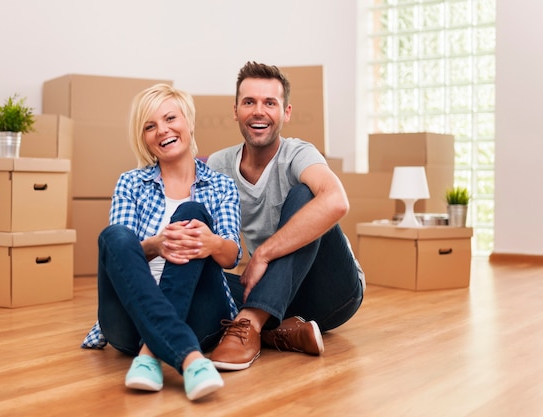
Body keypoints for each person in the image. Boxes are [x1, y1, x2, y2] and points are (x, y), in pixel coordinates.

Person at [80, 83, 242, 400]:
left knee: (192, 211)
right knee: (114, 235)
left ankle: (149, 357)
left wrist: (210, 243)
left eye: (170, 118)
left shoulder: (221, 186)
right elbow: (119, 255)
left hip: (200, 314)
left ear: (189, 122)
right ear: (143, 137)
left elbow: (231, 257)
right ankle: (189, 359)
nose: (162, 131)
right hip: (131, 318)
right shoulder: (130, 182)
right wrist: (158, 244)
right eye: (150, 126)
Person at [206, 61, 365, 371]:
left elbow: (336, 202)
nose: (258, 111)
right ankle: (282, 331)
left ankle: (251, 322)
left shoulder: (298, 153)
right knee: (201, 281)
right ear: (235, 110)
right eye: (249, 101)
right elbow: (210, 242)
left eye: (270, 103)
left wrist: (263, 253)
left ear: (286, 112)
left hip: (333, 292)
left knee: (306, 195)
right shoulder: (218, 165)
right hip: (276, 294)